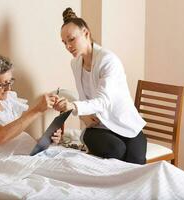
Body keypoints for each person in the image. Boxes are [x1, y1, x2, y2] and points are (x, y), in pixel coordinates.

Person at [54, 8, 147, 164]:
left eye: (71, 39)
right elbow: (83, 94)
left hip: (125, 124)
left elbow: (103, 101)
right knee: (117, 151)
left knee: (136, 162)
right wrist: (82, 114)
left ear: (86, 33)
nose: (68, 46)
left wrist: (73, 107)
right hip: (97, 127)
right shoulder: (75, 64)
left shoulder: (108, 60)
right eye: (64, 43)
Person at [0, 53, 61, 165]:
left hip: (23, 156)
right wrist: (37, 110)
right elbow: (0, 137)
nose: (8, 88)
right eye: (3, 84)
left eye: (10, 82)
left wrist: (45, 140)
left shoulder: (6, 101)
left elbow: (15, 137)